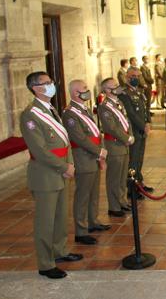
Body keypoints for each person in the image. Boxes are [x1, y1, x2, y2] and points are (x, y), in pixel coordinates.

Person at [20, 71, 82, 279]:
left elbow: (65, 141)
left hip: (61, 170)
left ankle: (60, 250)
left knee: (60, 217)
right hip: (46, 175)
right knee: (45, 221)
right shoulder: (30, 114)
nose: (51, 85)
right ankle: (46, 264)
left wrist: (70, 163)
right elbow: (39, 151)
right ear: (36, 88)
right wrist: (63, 167)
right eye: (46, 83)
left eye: (51, 82)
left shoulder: (51, 109)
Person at [63, 80, 111, 247]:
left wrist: (100, 152)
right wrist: (98, 151)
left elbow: (95, 133)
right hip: (83, 158)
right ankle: (81, 231)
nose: (87, 91)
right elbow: (79, 138)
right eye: (84, 89)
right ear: (75, 92)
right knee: (83, 195)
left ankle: (93, 220)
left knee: (94, 192)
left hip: (93, 156)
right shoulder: (69, 113)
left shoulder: (84, 109)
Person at [98, 78, 134, 218]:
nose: (118, 87)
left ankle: (122, 201)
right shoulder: (104, 107)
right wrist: (127, 138)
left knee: (122, 175)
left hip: (123, 144)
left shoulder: (119, 102)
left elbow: (126, 121)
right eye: (114, 86)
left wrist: (130, 135)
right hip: (114, 145)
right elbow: (111, 128)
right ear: (107, 90)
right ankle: (113, 206)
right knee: (114, 177)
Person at [119, 67, 153, 196]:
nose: (136, 78)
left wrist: (148, 122)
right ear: (127, 77)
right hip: (134, 130)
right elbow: (131, 114)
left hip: (142, 130)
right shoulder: (124, 93)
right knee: (133, 160)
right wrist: (143, 126)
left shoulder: (139, 91)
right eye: (133, 76)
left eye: (138, 76)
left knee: (139, 158)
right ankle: (132, 187)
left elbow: (145, 108)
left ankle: (139, 182)